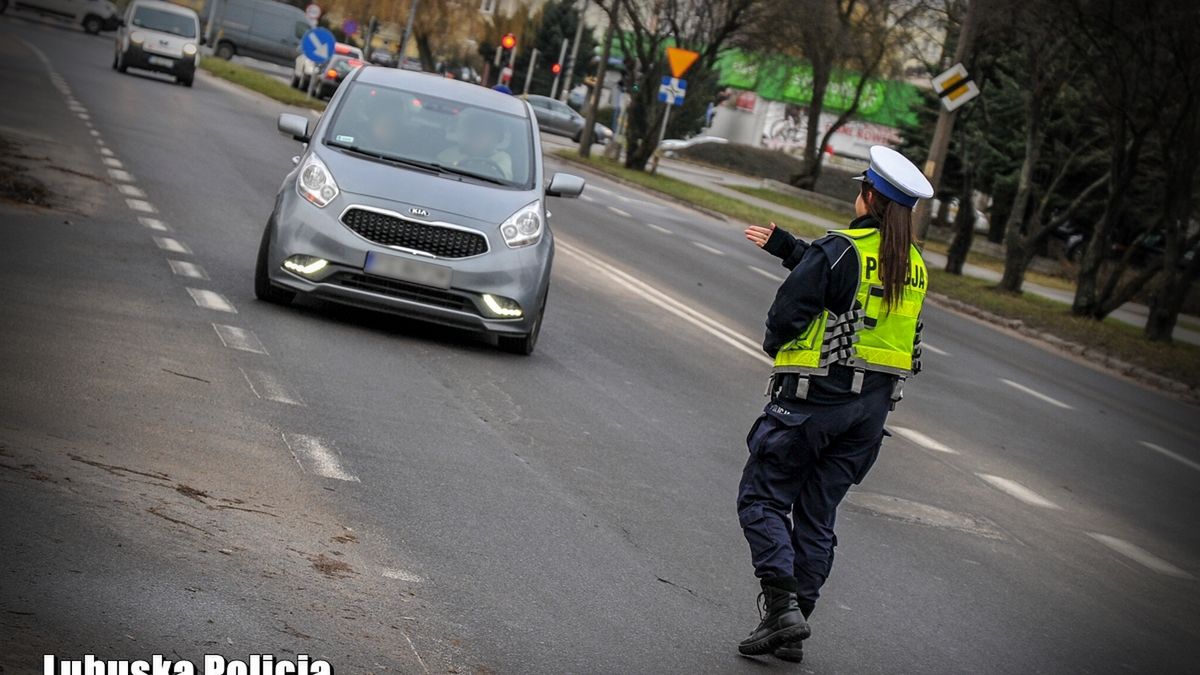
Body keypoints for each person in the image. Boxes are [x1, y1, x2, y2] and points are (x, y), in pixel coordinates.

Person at [735, 145, 933, 661]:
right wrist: (789, 247)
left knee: (762, 499)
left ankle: (781, 609)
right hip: (868, 417)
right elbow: (845, 280)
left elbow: (791, 310)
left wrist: (777, 347)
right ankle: (792, 624)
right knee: (818, 517)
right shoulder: (911, 265)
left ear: (869, 196)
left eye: (859, 187)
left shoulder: (842, 248)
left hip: (812, 404)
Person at [436, 109, 514, 181]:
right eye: (472, 131)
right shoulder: (450, 153)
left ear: (497, 137)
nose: (476, 137)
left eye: (483, 132)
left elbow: (502, 181)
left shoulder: (501, 159)